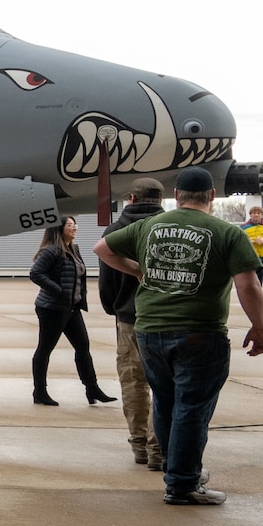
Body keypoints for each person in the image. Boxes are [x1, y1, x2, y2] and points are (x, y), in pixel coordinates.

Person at [96, 166, 263, 506]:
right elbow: (248, 283)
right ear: (212, 197)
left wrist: (138, 270)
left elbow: (102, 248)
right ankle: (182, 483)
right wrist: (259, 326)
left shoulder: (147, 227)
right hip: (199, 333)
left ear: (177, 196)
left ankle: (178, 468)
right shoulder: (226, 232)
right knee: (192, 407)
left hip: (149, 331)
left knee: (165, 400)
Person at [98, 178, 166, 467]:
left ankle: (139, 445)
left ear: (132, 199)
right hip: (164, 316)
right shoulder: (167, 228)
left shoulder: (114, 230)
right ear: (161, 200)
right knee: (163, 384)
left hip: (127, 317)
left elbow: (106, 282)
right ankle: (158, 449)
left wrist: (114, 307)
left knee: (133, 383)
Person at [28, 215, 114, 407]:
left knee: (83, 347)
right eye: (70, 225)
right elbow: (35, 273)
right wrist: (58, 290)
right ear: (59, 229)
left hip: (72, 308)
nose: (75, 227)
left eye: (75, 224)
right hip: (52, 309)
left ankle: (92, 388)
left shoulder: (73, 248)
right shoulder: (52, 251)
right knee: (45, 349)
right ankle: (40, 392)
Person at [242, 206, 263, 283]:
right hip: (250, 257)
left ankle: (257, 294)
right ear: (250, 215)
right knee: (250, 280)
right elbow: (238, 241)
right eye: (254, 213)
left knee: (259, 280)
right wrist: (248, 242)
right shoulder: (243, 227)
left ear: (262, 215)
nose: (256, 215)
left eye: (258, 213)